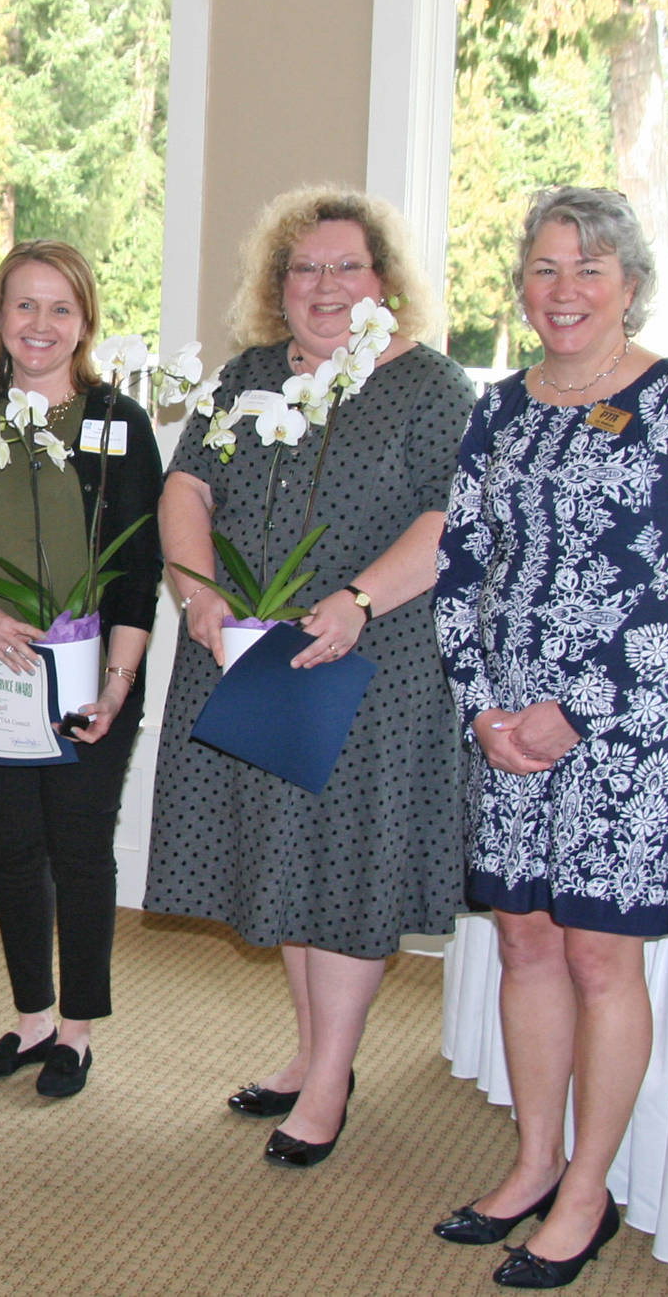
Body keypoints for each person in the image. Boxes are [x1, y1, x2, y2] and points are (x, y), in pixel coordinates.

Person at [431, 187, 668, 1289]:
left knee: (600, 953)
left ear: (629, 286)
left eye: (586, 271)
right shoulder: (497, 408)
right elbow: (458, 565)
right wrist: (480, 706)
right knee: (520, 941)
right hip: (504, 723)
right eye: (544, 270)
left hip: (622, 734)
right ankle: (530, 1162)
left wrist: (570, 710)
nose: (562, 291)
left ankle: (585, 1192)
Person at [146, 187, 472, 1164]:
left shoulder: (429, 387)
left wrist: (357, 602)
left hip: (368, 668)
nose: (323, 288)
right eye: (303, 269)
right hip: (252, 658)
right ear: (276, 285)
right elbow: (186, 486)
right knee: (282, 858)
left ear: (383, 283)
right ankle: (310, 1051)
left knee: (345, 874)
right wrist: (196, 590)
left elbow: (447, 520)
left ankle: (327, 1078)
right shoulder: (247, 374)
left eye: (345, 268)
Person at [0, 241, 162, 1097]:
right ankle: (29, 1020)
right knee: (14, 849)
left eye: (61, 308)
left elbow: (141, 574)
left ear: (86, 321)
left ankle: (78, 1031)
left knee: (81, 847)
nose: (42, 325)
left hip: (97, 672)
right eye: (25, 306)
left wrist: (116, 684)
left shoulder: (118, 424)